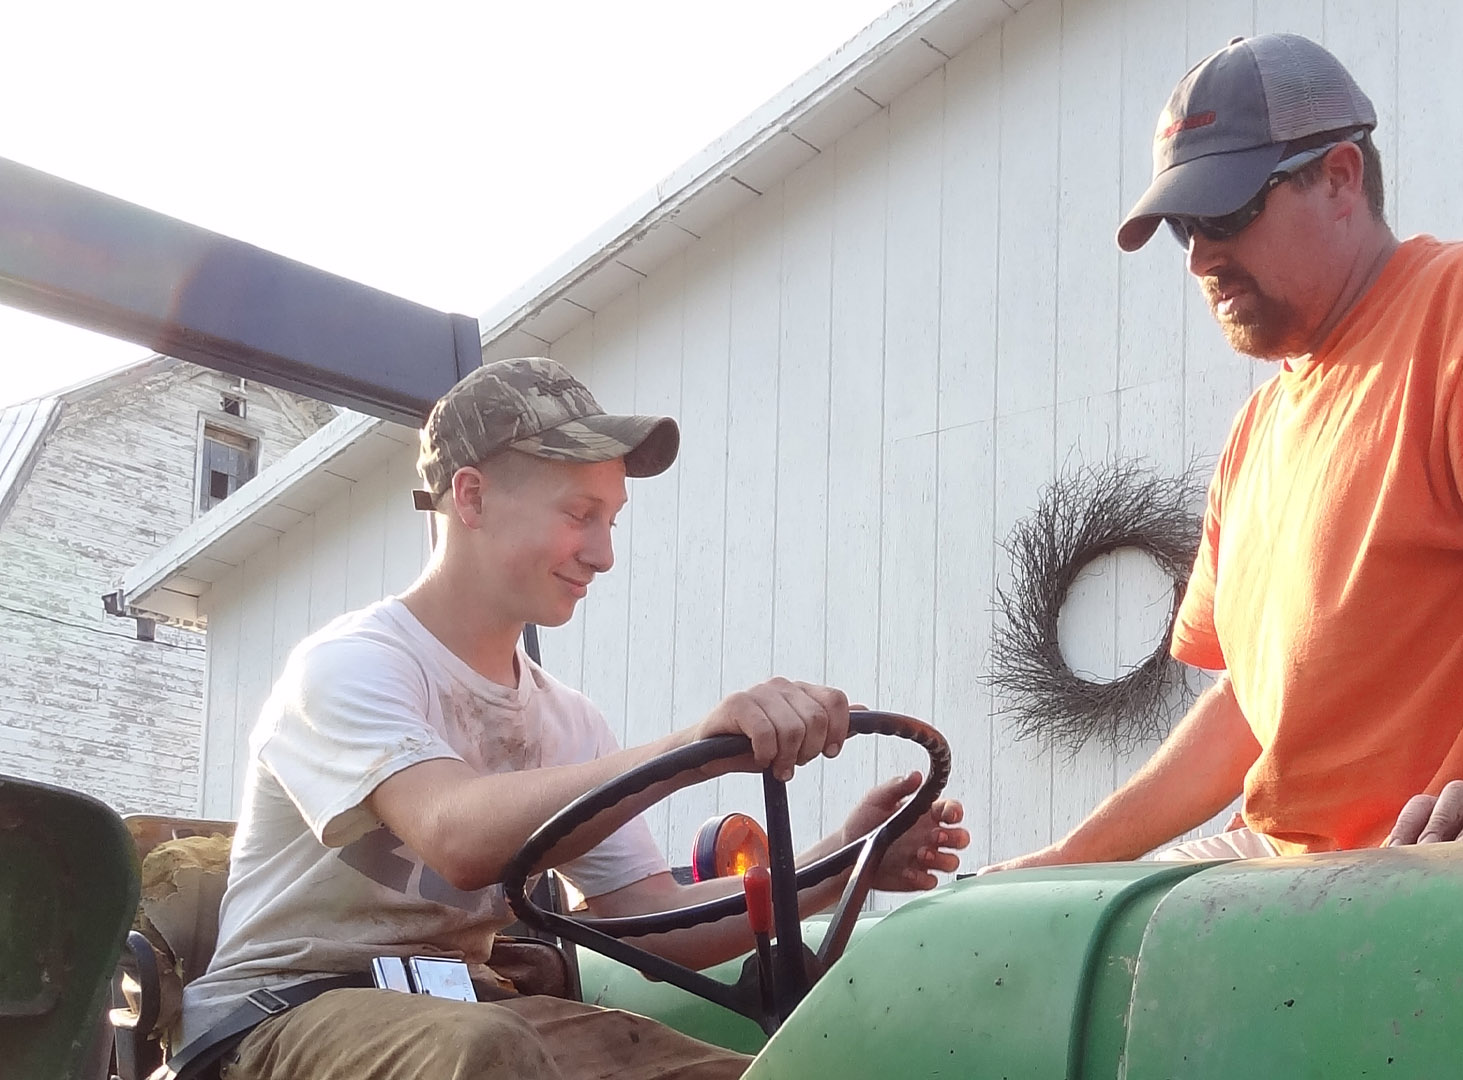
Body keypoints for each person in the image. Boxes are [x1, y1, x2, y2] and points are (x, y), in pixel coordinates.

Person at [989, 34, 1463, 869]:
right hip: (1312, 895)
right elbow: (1251, 713)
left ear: (1339, 177)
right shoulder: (1256, 435)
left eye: (1225, 211)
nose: (1201, 257)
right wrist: (1062, 862)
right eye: (1183, 228)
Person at [178, 356, 969, 1080]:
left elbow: (645, 921)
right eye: (578, 512)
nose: (603, 553)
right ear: (472, 496)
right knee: (489, 1054)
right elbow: (456, 836)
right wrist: (698, 748)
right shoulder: (349, 665)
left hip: (471, 1009)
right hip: (281, 1019)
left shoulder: (567, 721)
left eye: (612, 520)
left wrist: (844, 860)